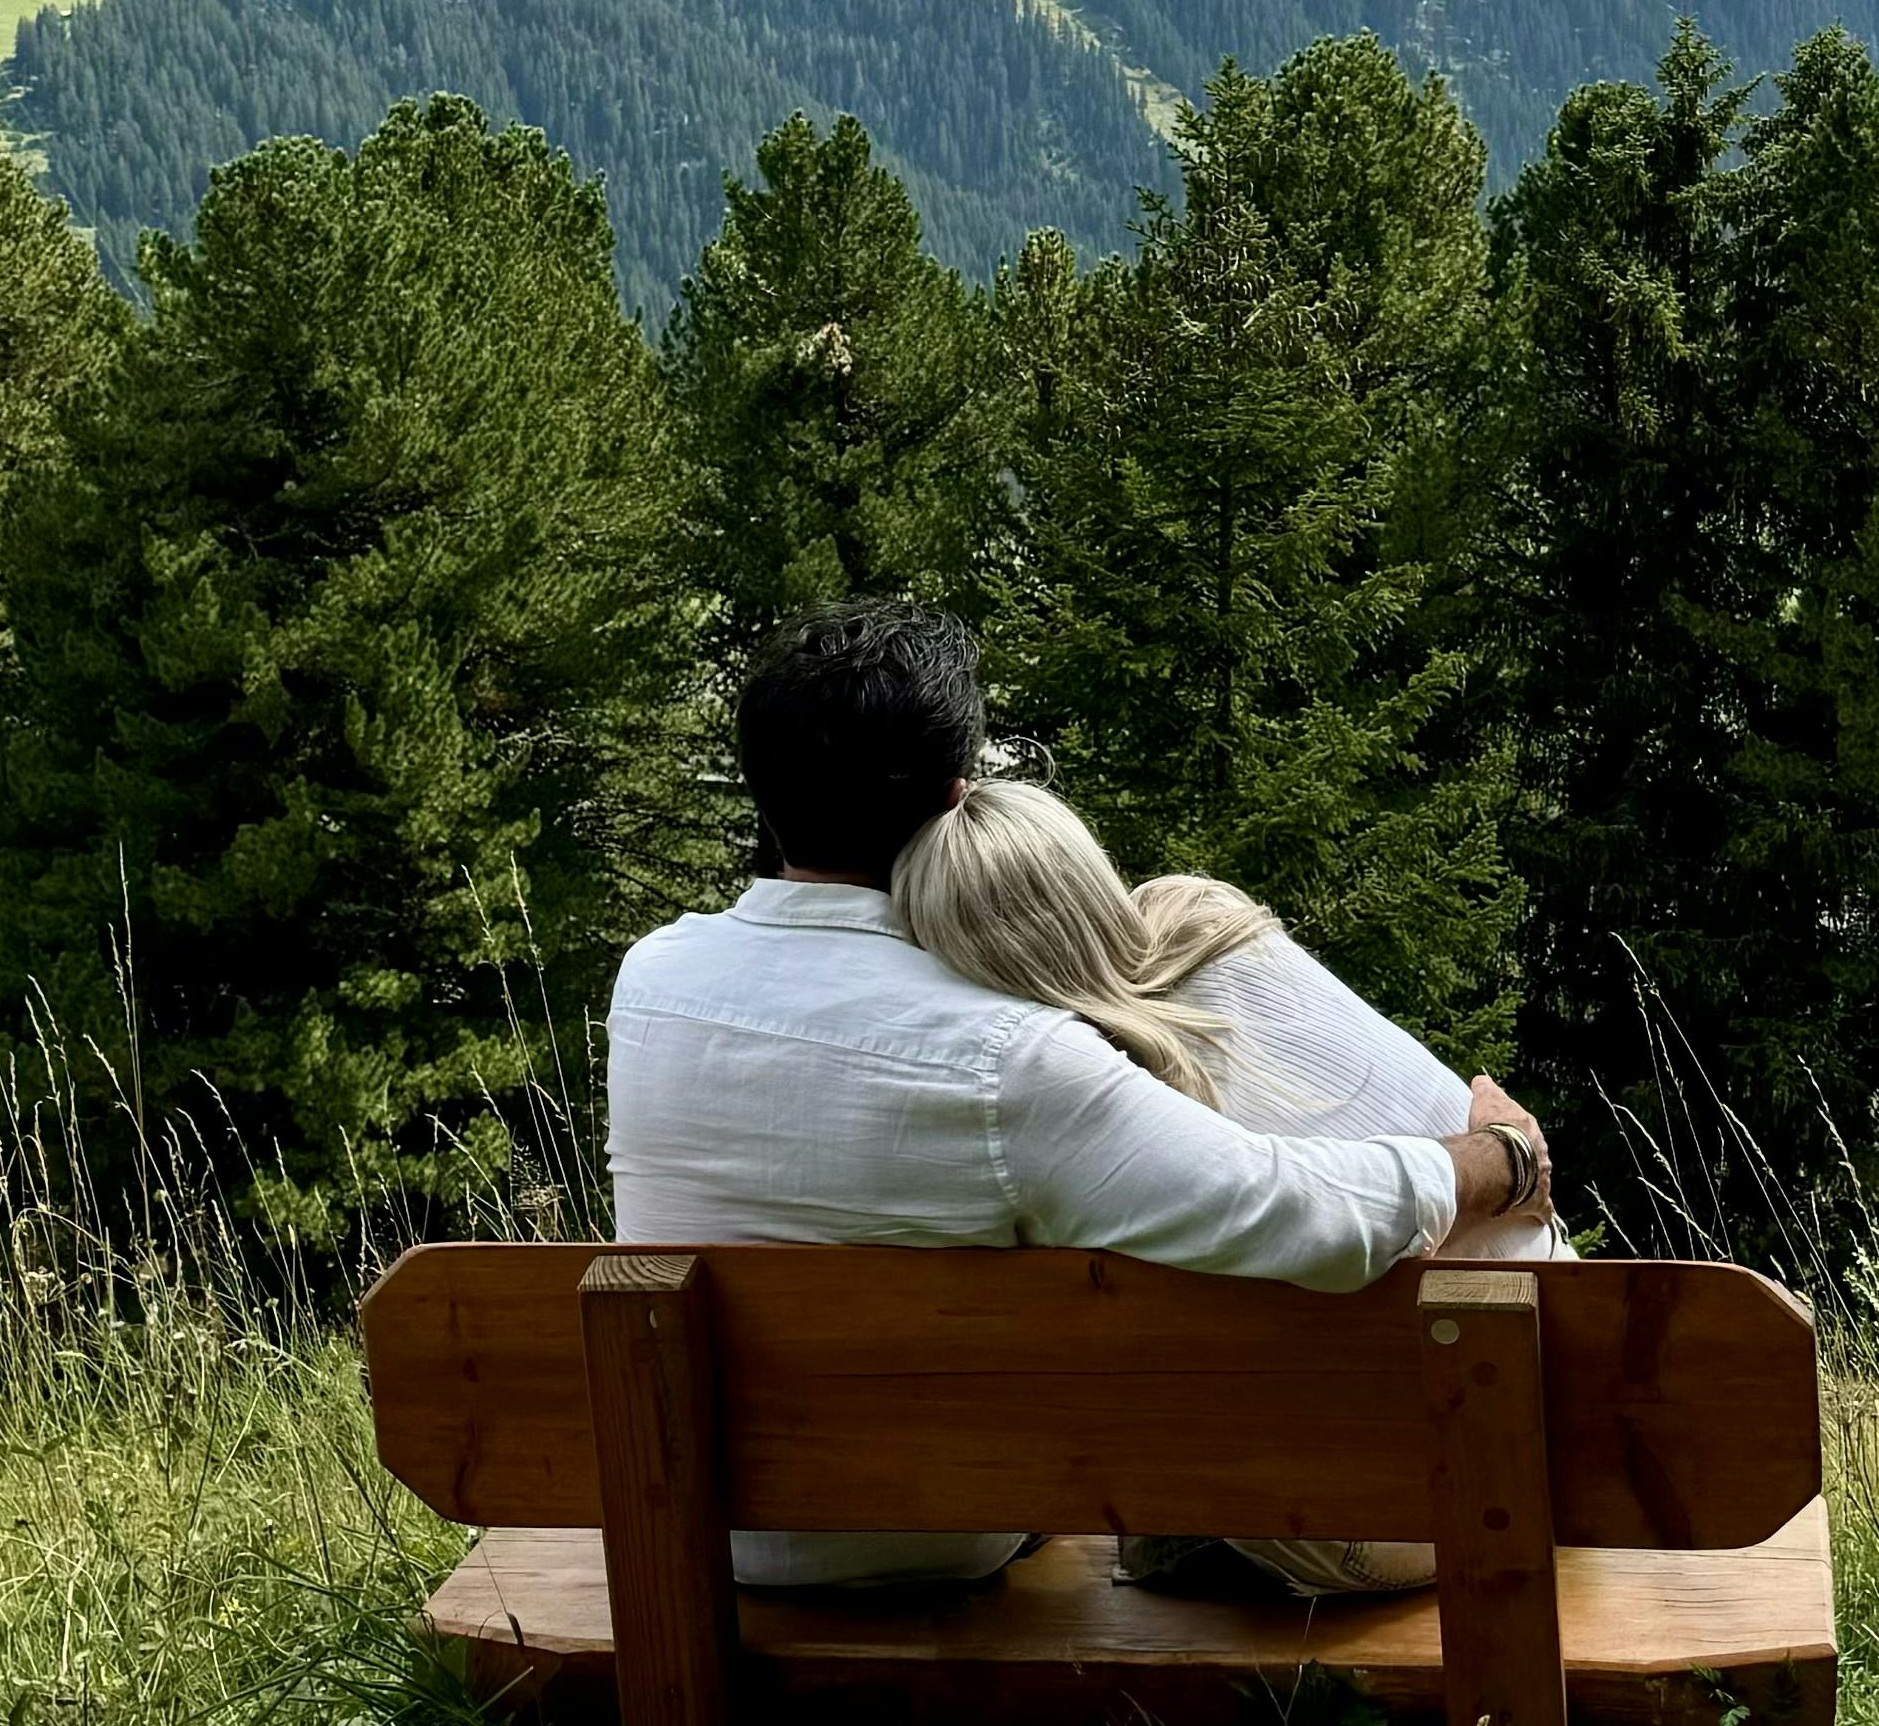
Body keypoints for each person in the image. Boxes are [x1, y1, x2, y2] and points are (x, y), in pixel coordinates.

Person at [605, 597, 1554, 1589]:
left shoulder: (653, 981)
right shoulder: (1008, 1057)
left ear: (764, 794)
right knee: (1182, 933)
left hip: (705, 1525)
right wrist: (1499, 1158)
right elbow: (1300, 1215)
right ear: (956, 801)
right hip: (927, 1533)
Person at [893, 769, 1559, 1594]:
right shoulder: (1197, 916)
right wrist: (1506, 1159)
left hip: (1379, 1522)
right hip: (1557, 1420)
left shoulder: (1071, 1102)